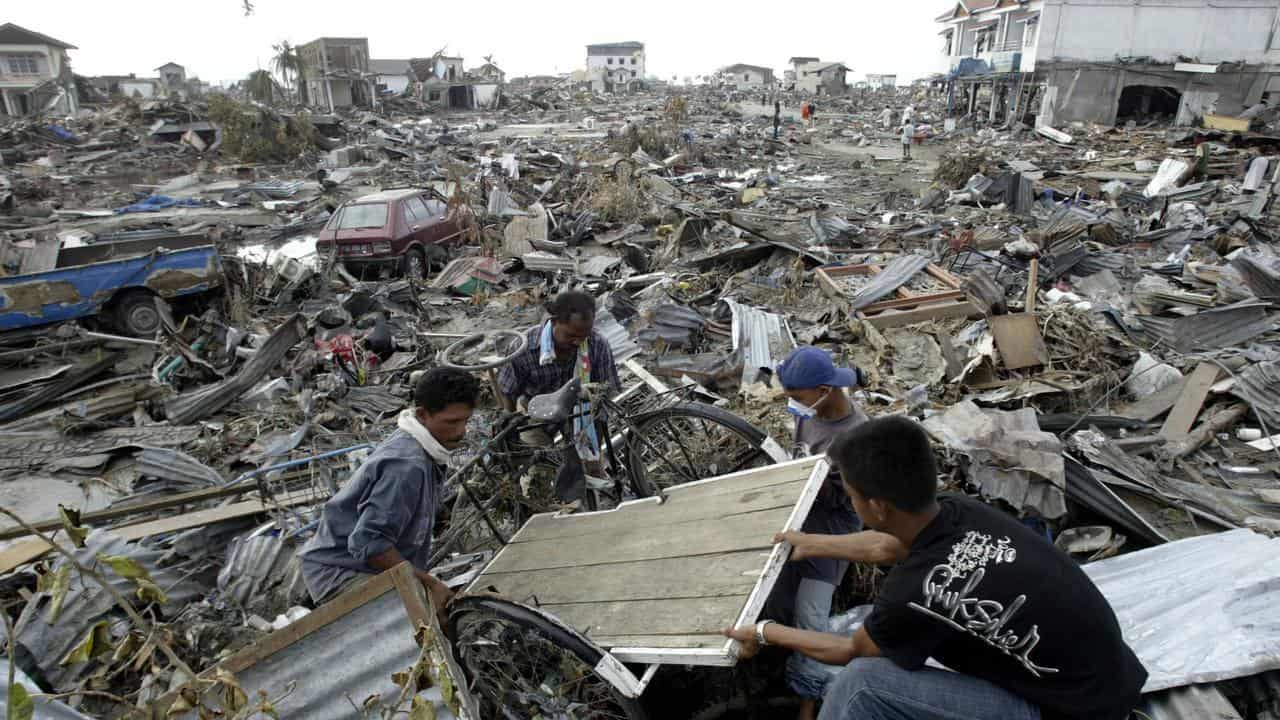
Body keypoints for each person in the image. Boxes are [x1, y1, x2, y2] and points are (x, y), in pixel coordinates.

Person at [725, 416, 1148, 720]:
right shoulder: (955, 510)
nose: (852, 503)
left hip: (1065, 711)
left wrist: (764, 631)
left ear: (877, 506)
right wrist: (812, 543)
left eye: (852, 496)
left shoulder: (912, 593)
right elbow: (890, 546)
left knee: (861, 682)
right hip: (1108, 676)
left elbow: (849, 650)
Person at [300, 367, 480, 612]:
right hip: (341, 571)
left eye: (465, 421)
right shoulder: (406, 467)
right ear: (422, 414)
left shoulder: (425, 448)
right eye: (452, 422)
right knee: (419, 623)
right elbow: (369, 542)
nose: (461, 432)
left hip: (356, 562)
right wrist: (429, 584)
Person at [769, 346, 869, 720]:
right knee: (780, 600)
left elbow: (852, 501)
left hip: (832, 532)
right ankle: (780, 669)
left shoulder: (856, 435)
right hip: (800, 519)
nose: (791, 404)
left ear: (825, 389)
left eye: (796, 397)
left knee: (812, 618)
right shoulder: (810, 415)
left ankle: (810, 703)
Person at [497, 290, 621, 411]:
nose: (578, 342)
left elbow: (610, 387)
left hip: (582, 411)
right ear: (554, 321)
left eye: (584, 336)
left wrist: (596, 392)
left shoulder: (597, 343)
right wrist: (513, 422)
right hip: (538, 414)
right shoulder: (524, 348)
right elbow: (507, 392)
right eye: (571, 336)